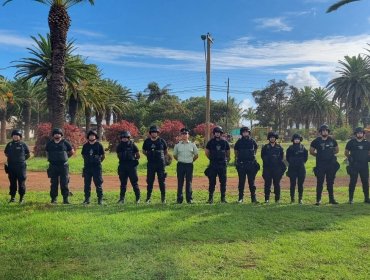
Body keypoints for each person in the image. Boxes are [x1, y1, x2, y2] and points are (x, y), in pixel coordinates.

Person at [310, 124, 340, 205]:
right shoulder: (316, 141)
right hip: (320, 165)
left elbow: (337, 150)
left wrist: (329, 154)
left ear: (328, 132)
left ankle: (331, 199)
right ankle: (318, 200)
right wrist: (319, 155)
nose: (324, 132)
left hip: (331, 165)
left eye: (326, 130)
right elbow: (311, 151)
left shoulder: (332, 140)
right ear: (320, 132)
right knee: (320, 182)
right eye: (323, 130)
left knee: (330, 182)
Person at [45, 128, 74, 204]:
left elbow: (71, 151)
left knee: (64, 183)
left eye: (58, 133)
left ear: (61, 135)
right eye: (55, 133)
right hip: (53, 166)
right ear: (53, 135)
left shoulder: (65, 142)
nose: (57, 135)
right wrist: (49, 159)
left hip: (63, 166)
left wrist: (65, 158)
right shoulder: (50, 143)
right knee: (54, 183)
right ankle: (54, 199)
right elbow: (47, 152)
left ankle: (65, 199)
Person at [142, 125, 168, 204]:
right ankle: (148, 198)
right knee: (150, 181)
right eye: (152, 132)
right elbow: (143, 151)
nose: (154, 133)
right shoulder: (147, 141)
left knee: (161, 181)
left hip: (160, 164)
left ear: (157, 133)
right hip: (151, 164)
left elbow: (165, 151)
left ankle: (163, 198)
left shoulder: (162, 141)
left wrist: (160, 157)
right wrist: (149, 156)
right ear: (150, 133)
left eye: (155, 132)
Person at [205, 126, 230, 203]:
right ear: (214, 133)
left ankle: (223, 198)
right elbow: (207, 152)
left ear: (221, 133)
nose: (217, 134)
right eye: (216, 132)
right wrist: (212, 159)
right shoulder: (210, 142)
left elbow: (228, 153)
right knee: (212, 181)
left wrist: (226, 160)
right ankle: (210, 198)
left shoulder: (225, 142)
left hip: (222, 165)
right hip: (213, 165)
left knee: (223, 182)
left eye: (219, 132)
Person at [234, 126, 259, 203]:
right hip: (241, 164)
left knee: (252, 182)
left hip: (251, 164)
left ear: (249, 133)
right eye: (244, 132)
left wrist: (252, 156)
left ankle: (253, 198)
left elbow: (255, 149)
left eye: (247, 132)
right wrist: (238, 159)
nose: (245, 133)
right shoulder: (239, 142)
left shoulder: (252, 141)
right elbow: (236, 151)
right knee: (241, 182)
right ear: (242, 133)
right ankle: (240, 198)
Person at [4, 129, 30, 203]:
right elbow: (6, 153)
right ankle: (12, 198)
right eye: (14, 135)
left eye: (17, 135)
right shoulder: (9, 144)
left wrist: (21, 160)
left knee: (21, 182)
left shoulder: (23, 144)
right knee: (12, 182)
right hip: (11, 166)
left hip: (21, 167)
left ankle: (22, 198)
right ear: (12, 136)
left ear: (20, 137)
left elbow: (28, 154)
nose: (15, 137)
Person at [345, 127, 370, 204]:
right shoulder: (351, 142)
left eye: (361, 133)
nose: (359, 134)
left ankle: (366, 198)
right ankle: (351, 199)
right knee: (353, 181)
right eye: (358, 133)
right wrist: (350, 158)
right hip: (354, 165)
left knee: (365, 182)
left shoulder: (367, 143)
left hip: (364, 165)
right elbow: (346, 152)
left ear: (363, 134)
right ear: (356, 134)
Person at [173, 128, 199, 204]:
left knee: (189, 182)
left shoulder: (192, 145)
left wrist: (191, 161)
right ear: (181, 136)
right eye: (183, 134)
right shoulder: (177, 145)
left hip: (189, 165)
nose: (184, 135)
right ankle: (179, 199)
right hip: (180, 165)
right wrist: (180, 160)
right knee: (180, 182)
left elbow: (196, 155)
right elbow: (175, 155)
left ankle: (189, 199)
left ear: (188, 135)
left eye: (186, 134)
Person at [81, 130, 105, 205]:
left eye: (93, 135)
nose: (91, 136)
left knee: (98, 183)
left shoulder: (99, 145)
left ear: (95, 136)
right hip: (87, 167)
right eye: (90, 135)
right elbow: (83, 155)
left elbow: (103, 156)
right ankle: (87, 199)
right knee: (87, 184)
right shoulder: (85, 146)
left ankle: (100, 199)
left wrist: (97, 161)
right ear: (88, 137)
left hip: (96, 167)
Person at [116, 130, 141, 204]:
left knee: (134, 182)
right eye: (123, 137)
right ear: (121, 138)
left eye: (126, 137)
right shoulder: (119, 146)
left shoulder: (133, 145)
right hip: (123, 165)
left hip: (131, 166)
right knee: (123, 183)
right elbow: (118, 156)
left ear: (128, 137)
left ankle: (138, 198)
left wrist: (134, 160)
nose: (124, 138)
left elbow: (138, 155)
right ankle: (122, 199)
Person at [261, 131, 285, 203]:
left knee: (277, 184)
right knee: (267, 184)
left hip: (277, 169)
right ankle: (267, 199)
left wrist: (283, 168)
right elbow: (263, 157)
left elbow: (283, 158)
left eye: (273, 137)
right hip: (267, 168)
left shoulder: (279, 147)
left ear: (275, 138)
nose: (272, 139)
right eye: (271, 137)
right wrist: (269, 161)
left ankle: (277, 199)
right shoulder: (265, 147)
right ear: (269, 138)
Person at [286, 133, 308, 204]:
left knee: (300, 184)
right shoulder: (290, 148)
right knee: (292, 184)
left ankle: (300, 199)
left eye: (298, 139)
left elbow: (305, 157)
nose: (297, 140)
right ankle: (292, 199)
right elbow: (287, 158)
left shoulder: (303, 148)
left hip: (301, 168)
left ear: (300, 140)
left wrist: (301, 162)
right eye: (295, 139)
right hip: (292, 168)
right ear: (293, 140)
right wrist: (293, 162)